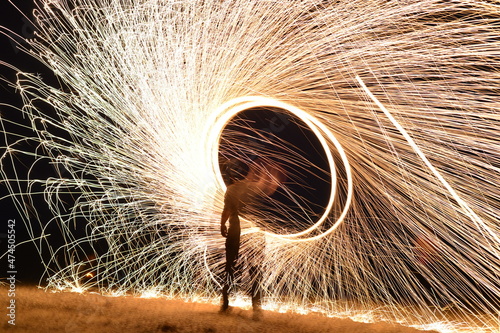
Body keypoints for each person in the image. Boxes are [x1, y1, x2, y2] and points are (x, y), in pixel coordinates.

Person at [219, 159, 263, 318]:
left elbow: (228, 210)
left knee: (230, 267)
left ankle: (225, 304)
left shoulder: (231, 190)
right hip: (255, 233)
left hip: (236, 231)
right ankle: (257, 308)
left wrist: (222, 224)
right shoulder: (255, 187)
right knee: (256, 270)